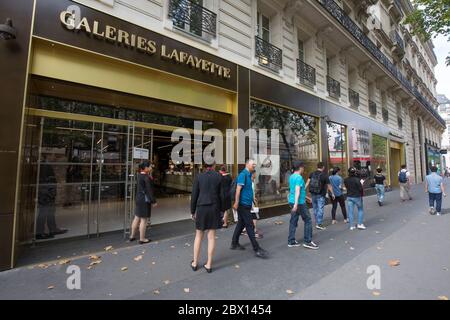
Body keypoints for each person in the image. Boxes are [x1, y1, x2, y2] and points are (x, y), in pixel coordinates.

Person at [190, 163, 224, 273]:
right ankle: (209, 264)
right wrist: (222, 210)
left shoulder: (199, 177)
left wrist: (192, 211)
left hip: (201, 208)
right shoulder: (219, 176)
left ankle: (195, 263)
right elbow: (222, 195)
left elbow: (194, 195)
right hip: (214, 208)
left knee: (199, 235)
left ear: (204, 165)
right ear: (213, 165)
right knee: (211, 236)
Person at [231, 159, 268, 258]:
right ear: (247, 165)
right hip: (243, 205)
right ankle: (256, 249)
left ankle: (234, 243)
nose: (254, 166)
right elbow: (238, 190)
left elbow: (247, 190)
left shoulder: (248, 174)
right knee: (250, 226)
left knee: (240, 224)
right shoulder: (243, 174)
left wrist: (252, 199)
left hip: (246, 204)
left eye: (255, 165)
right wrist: (237, 202)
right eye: (253, 164)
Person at [36, 154, 68, 240]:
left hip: (47, 192)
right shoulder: (45, 165)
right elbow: (46, 180)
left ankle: (52, 229)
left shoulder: (45, 165)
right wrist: (50, 192)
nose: (55, 157)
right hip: (46, 193)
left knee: (50, 211)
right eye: (52, 155)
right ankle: (39, 232)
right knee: (44, 211)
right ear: (47, 157)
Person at [287, 160, 318, 249]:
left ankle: (291, 241)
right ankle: (308, 241)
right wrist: (297, 204)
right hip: (299, 203)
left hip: (292, 201)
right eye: (303, 167)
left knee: (293, 221)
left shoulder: (292, 176)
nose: (304, 169)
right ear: (300, 168)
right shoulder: (299, 177)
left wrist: (307, 198)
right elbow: (297, 190)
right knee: (308, 220)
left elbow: (293, 191)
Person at [130, 161, 157, 244]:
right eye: (150, 166)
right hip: (144, 200)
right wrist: (153, 201)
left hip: (138, 198)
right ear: (146, 168)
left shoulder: (139, 175)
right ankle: (142, 239)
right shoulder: (146, 177)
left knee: (136, 217)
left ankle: (132, 236)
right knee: (144, 220)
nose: (151, 168)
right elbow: (149, 191)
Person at [306, 162, 335, 230]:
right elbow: (329, 186)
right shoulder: (324, 175)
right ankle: (319, 223)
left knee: (315, 208)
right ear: (323, 167)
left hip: (313, 193)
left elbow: (308, 182)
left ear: (317, 166)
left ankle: (317, 221)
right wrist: (332, 193)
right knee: (320, 208)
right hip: (320, 194)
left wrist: (303, 189)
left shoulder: (312, 173)